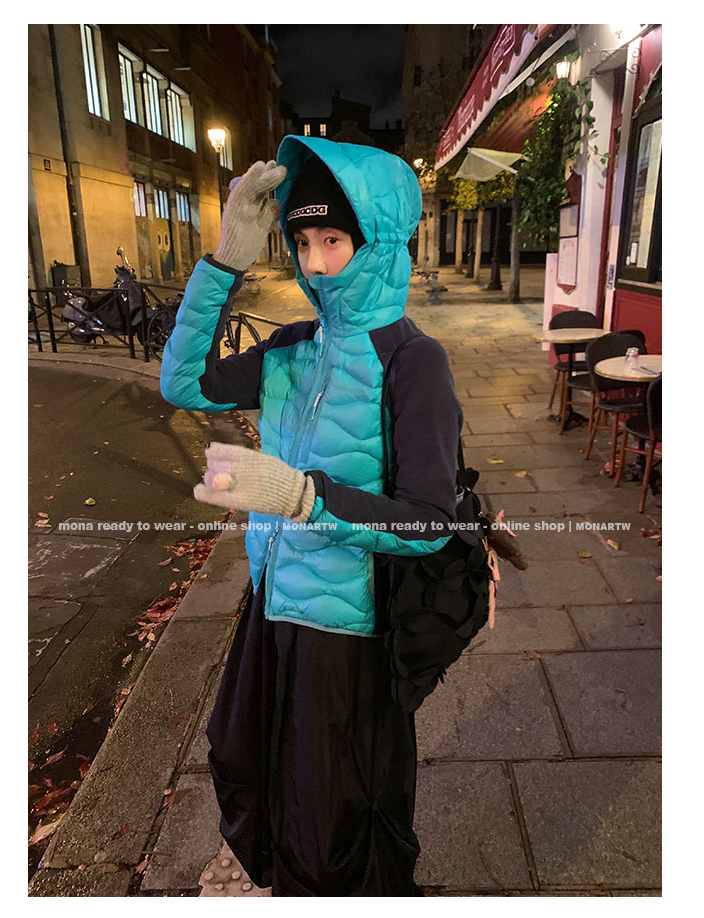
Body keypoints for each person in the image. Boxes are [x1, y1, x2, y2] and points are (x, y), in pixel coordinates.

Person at [160, 136, 462, 896]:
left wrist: (302, 496)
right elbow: (183, 383)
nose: (316, 262)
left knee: (333, 818)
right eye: (302, 242)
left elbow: (428, 522)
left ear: (377, 242)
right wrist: (224, 261)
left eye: (333, 240)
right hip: (272, 605)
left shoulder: (413, 361)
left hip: (349, 634)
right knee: (245, 762)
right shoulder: (290, 347)